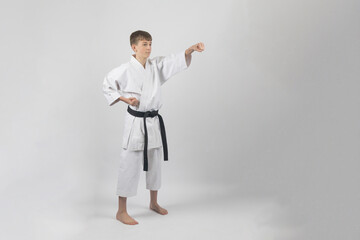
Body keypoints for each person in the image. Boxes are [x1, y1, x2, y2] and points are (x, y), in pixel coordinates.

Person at [102, 30, 205, 225]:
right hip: (135, 122)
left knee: (155, 162)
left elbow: (174, 61)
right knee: (129, 163)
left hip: (153, 121)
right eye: (144, 44)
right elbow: (107, 85)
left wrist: (190, 50)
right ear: (134, 47)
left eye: (150, 44)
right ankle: (121, 211)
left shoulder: (155, 65)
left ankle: (153, 203)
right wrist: (124, 98)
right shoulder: (125, 69)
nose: (149, 48)